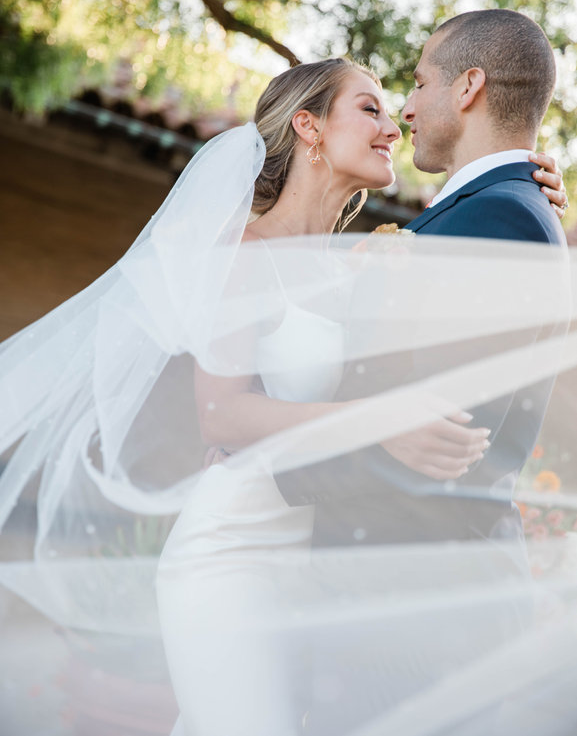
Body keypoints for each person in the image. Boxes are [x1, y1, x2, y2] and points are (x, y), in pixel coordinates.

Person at [0, 52, 569, 735]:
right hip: (235, 547)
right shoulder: (244, 251)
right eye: (370, 108)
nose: (393, 126)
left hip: (314, 552)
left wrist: (520, 187)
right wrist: (376, 419)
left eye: (395, 106)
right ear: (308, 126)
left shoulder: (351, 265)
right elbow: (221, 413)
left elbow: (458, 272)